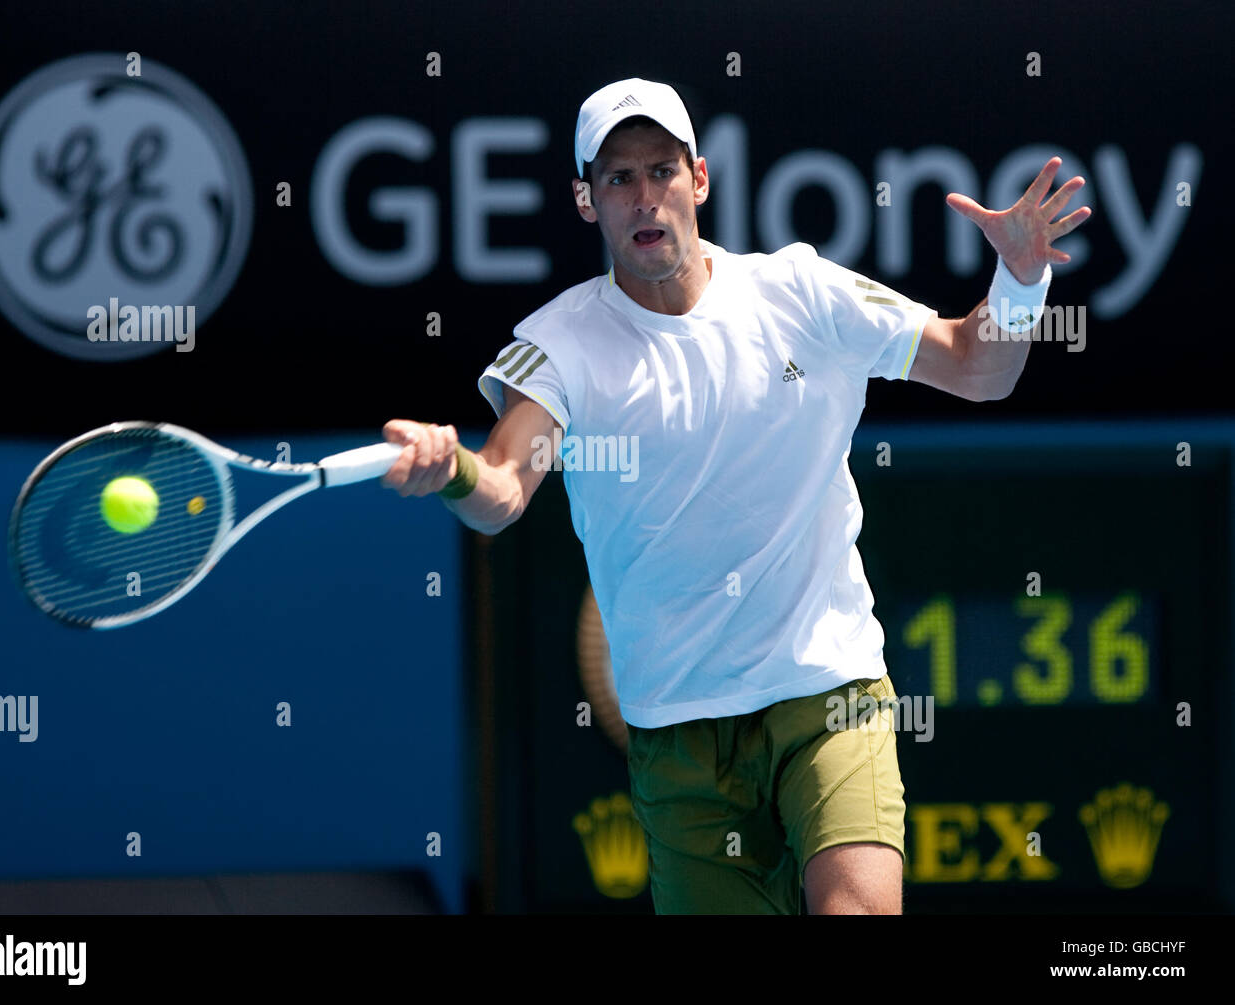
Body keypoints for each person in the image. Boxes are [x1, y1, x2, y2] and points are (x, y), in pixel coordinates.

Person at [380, 77, 1091, 914]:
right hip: (678, 732)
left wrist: (1017, 285)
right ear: (585, 200)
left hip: (827, 690)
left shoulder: (802, 293)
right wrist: (452, 469)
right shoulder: (558, 344)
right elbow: (500, 488)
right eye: (617, 178)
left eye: (661, 171)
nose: (645, 198)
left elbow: (978, 367)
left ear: (700, 179)